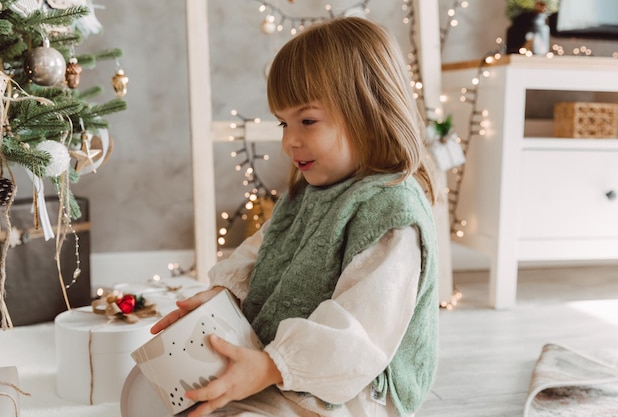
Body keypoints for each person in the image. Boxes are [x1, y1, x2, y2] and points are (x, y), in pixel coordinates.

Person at [151, 16, 439, 417]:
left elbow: (358, 335)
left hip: (354, 385)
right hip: (284, 360)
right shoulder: (311, 191)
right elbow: (264, 248)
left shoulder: (391, 213)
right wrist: (226, 293)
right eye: (283, 123)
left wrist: (273, 366)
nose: (289, 140)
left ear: (370, 114)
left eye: (307, 121)